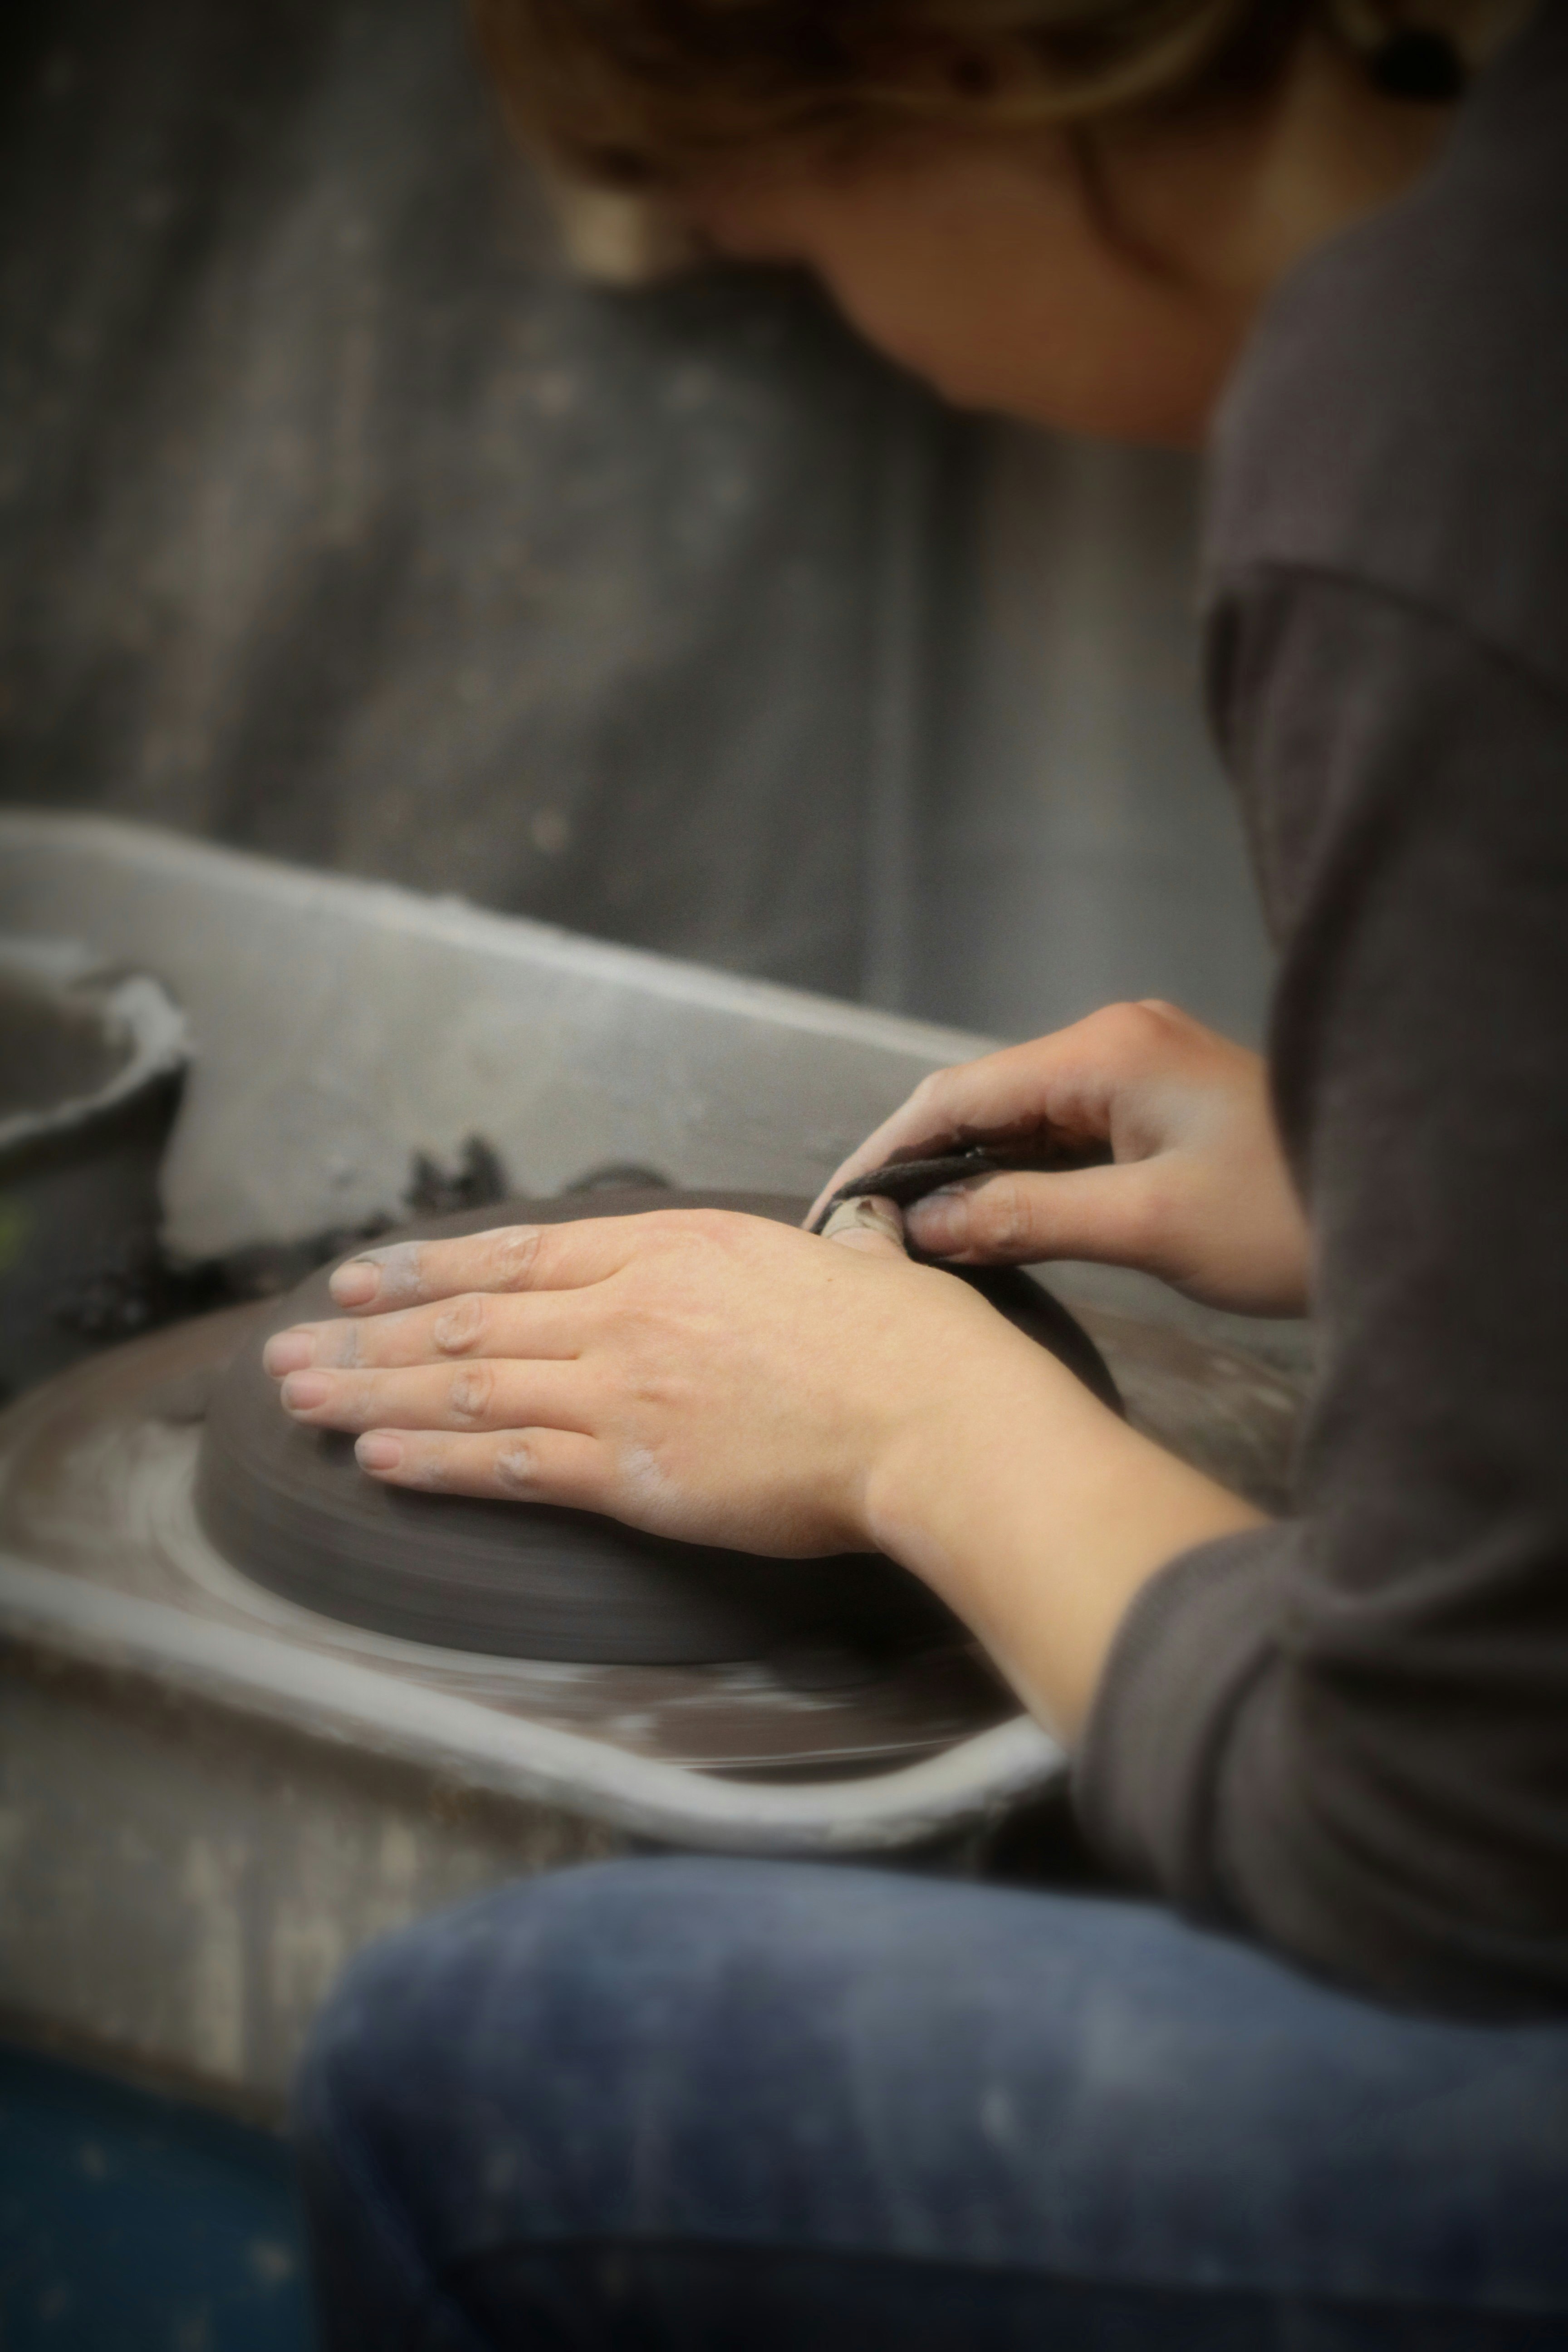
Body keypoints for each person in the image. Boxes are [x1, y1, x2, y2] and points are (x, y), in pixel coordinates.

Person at [284, 2, 1568, 2342]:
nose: (832, 318)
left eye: (786, 238)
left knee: (457, 2076)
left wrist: (909, 1421)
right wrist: (1413, 1160)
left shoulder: (1432, 425)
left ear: (975, 77)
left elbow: (1451, 1854)